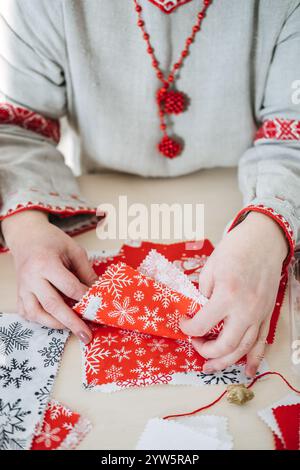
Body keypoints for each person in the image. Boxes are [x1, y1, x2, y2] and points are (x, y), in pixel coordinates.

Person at [0, 0, 299, 378]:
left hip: (249, 206)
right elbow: (16, 129)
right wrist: (25, 230)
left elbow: (294, 136)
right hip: (97, 213)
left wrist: (268, 235)